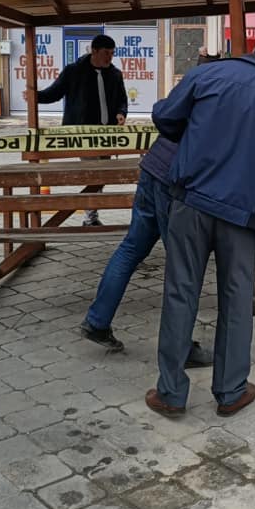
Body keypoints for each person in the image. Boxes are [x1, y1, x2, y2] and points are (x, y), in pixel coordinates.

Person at [145, 24, 255, 419]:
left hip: (191, 202)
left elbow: (165, 117)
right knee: (237, 300)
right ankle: (231, 391)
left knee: (180, 293)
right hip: (244, 217)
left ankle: (170, 393)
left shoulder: (208, 74)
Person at [80, 134, 213, 367]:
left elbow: (165, 114)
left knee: (131, 247)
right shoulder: (229, 98)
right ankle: (181, 347)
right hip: (175, 176)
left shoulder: (193, 95)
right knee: (183, 265)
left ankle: (97, 321)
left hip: (154, 165)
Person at [37, 34, 127, 226]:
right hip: (82, 135)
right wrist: (34, 95)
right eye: (106, 53)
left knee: (101, 176)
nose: (110, 58)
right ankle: (91, 216)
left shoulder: (115, 74)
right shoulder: (74, 71)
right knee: (93, 173)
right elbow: (54, 93)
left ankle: (91, 214)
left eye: (112, 54)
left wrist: (121, 113)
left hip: (107, 135)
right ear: (94, 51)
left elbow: (122, 99)